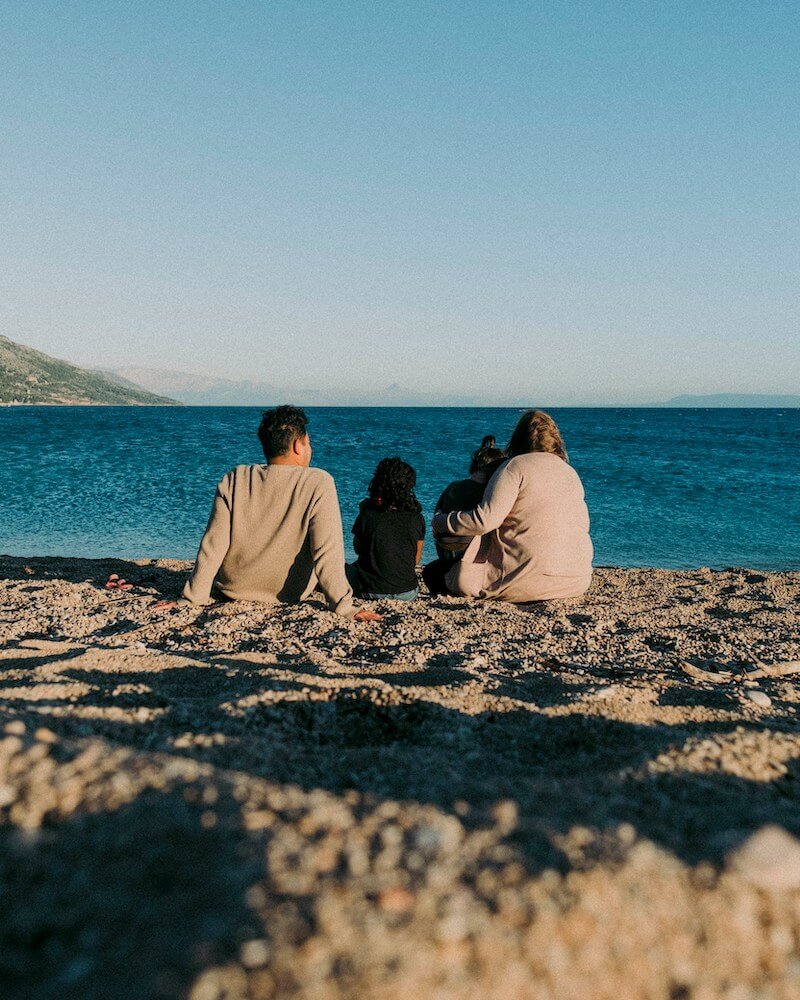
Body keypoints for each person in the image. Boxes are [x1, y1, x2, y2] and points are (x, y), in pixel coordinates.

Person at [157, 405, 379, 621]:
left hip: (234, 590)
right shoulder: (318, 482)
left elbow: (213, 545)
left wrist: (193, 598)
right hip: (288, 594)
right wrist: (344, 607)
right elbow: (326, 551)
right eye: (308, 443)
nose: (309, 449)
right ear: (298, 446)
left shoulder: (236, 478)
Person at [427, 410, 593, 602]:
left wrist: (441, 521)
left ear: (518, 439)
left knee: (434, 573)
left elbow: (484, 520)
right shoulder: (570, 472)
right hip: (576, 580)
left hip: (525, 583)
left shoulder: (514, 467)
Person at [346, 457, 425, 601]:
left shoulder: (368, 513)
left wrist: (363, 511)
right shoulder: (417, 517)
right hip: (408, 592)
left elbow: (357, 548)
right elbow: (416, 559)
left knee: (344, 569)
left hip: (370, 591)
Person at [432, 435, 505, 563]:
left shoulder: (452, 487)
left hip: (446, 549)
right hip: (474, 554)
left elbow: (437, 514)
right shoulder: (490, 494)